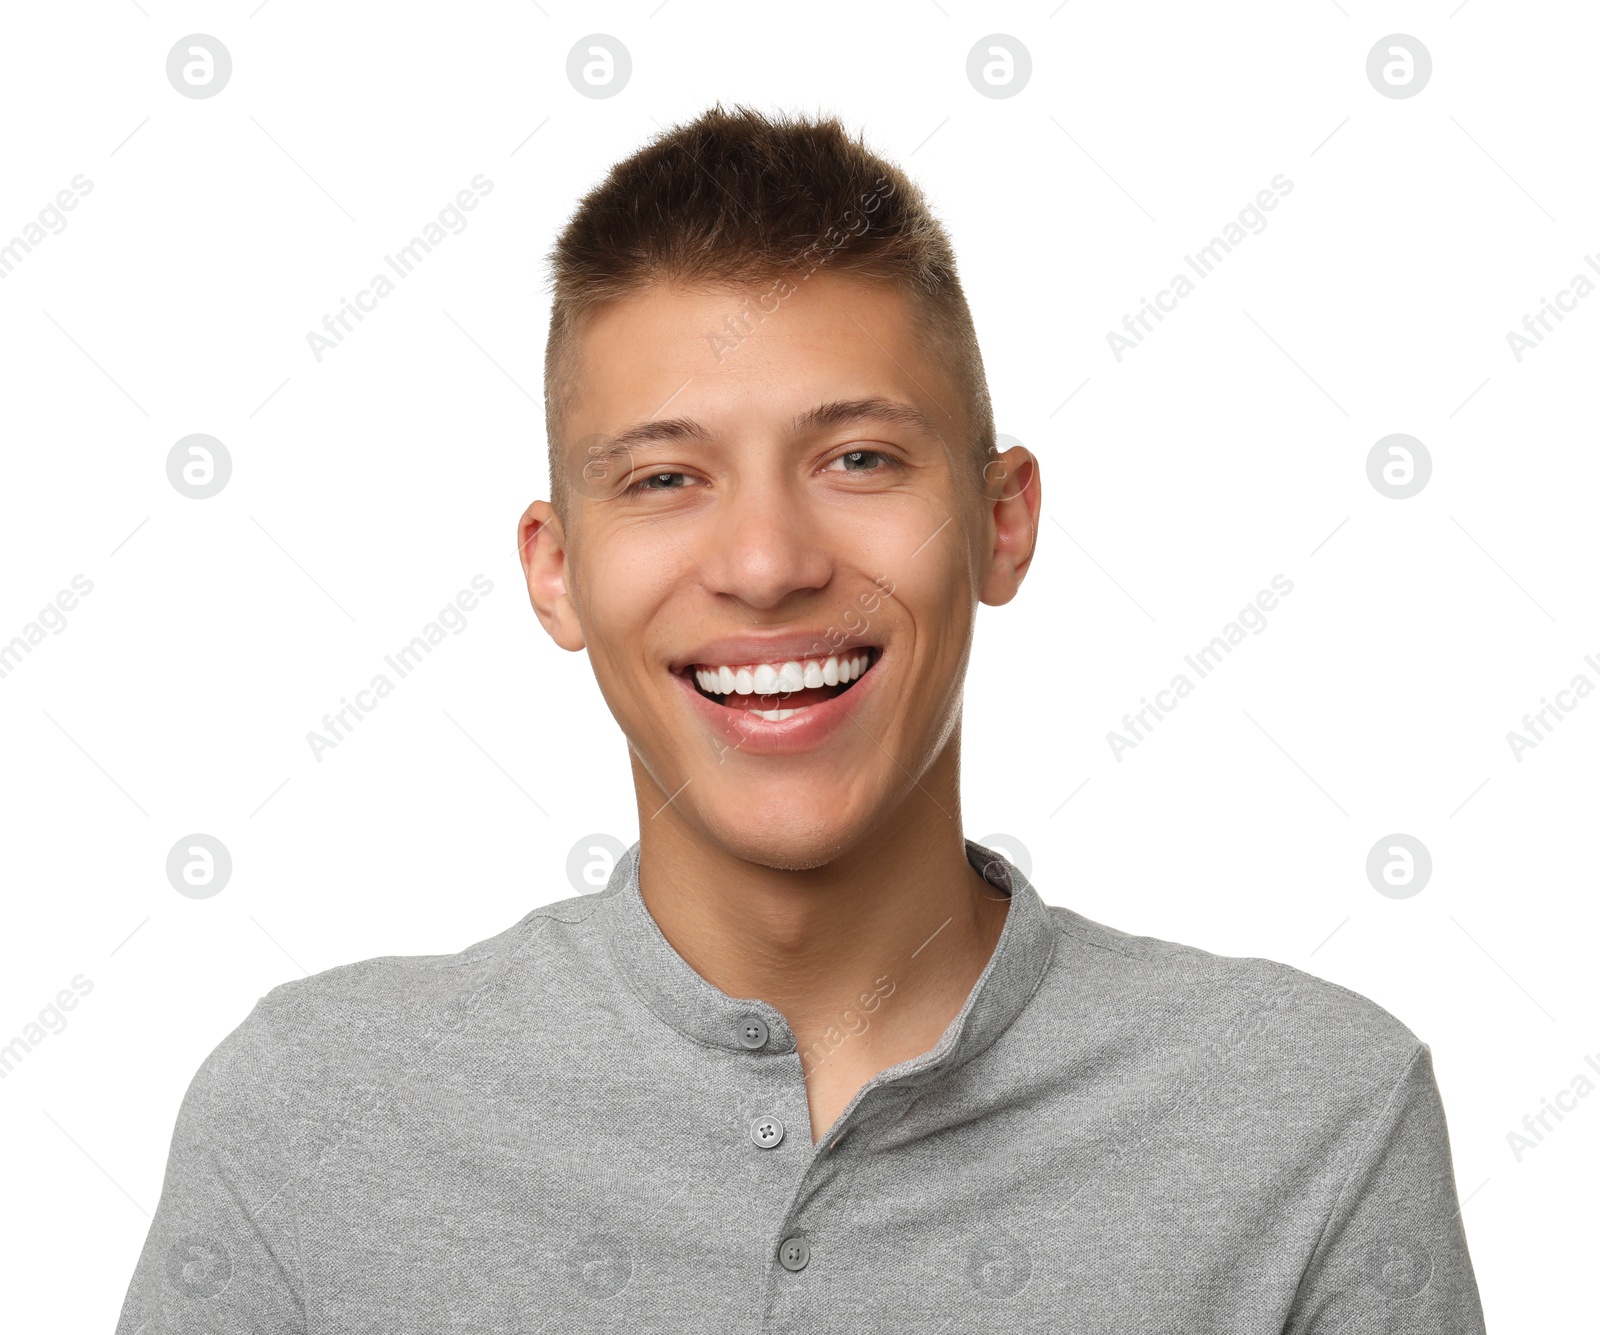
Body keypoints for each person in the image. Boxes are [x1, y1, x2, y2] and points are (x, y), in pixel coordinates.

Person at [117, 104, 1487, 1333]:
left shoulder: (1315, 1121)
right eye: (663, 478)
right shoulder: (307, 1126)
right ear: (556, 570)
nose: (767, 562)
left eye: (858, 459)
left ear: (1000, 524)